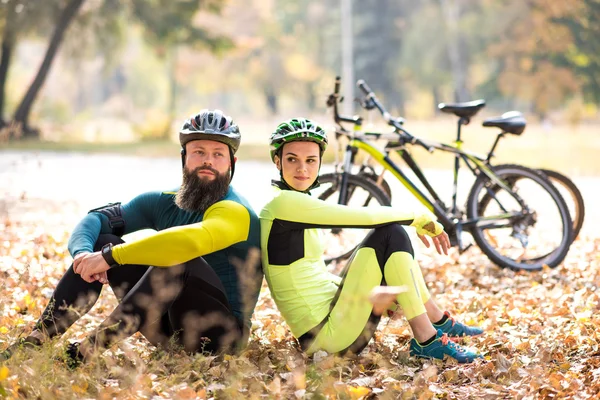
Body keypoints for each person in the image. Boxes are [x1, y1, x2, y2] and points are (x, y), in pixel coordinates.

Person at [0, 109, 263, 366]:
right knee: (103, 241)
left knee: (178, 259)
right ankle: (38, 339)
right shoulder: (164, 202)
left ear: (232, 163)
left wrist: (110, 259)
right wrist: (84, 255)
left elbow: (189, 242)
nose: (208, 160)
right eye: (199, 152)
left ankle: (88, 350)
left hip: (222, 338)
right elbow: (96, 219)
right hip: (167, 331)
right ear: (184, 157)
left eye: (218, 154)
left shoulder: (236, 210)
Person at [259, 118, 483, 363]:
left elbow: (315, 276)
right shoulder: (283, 204)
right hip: (326, 336)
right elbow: (363, 216)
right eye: (292, 159)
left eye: (310, 160)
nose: (302, 168)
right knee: (390, 234)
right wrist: (418, 217)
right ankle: (427, 338)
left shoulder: (291, 202)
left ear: (320, 163)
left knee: (391, 237)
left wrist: (373, 292)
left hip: (336, 318)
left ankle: (436, 321)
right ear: (277, 161)